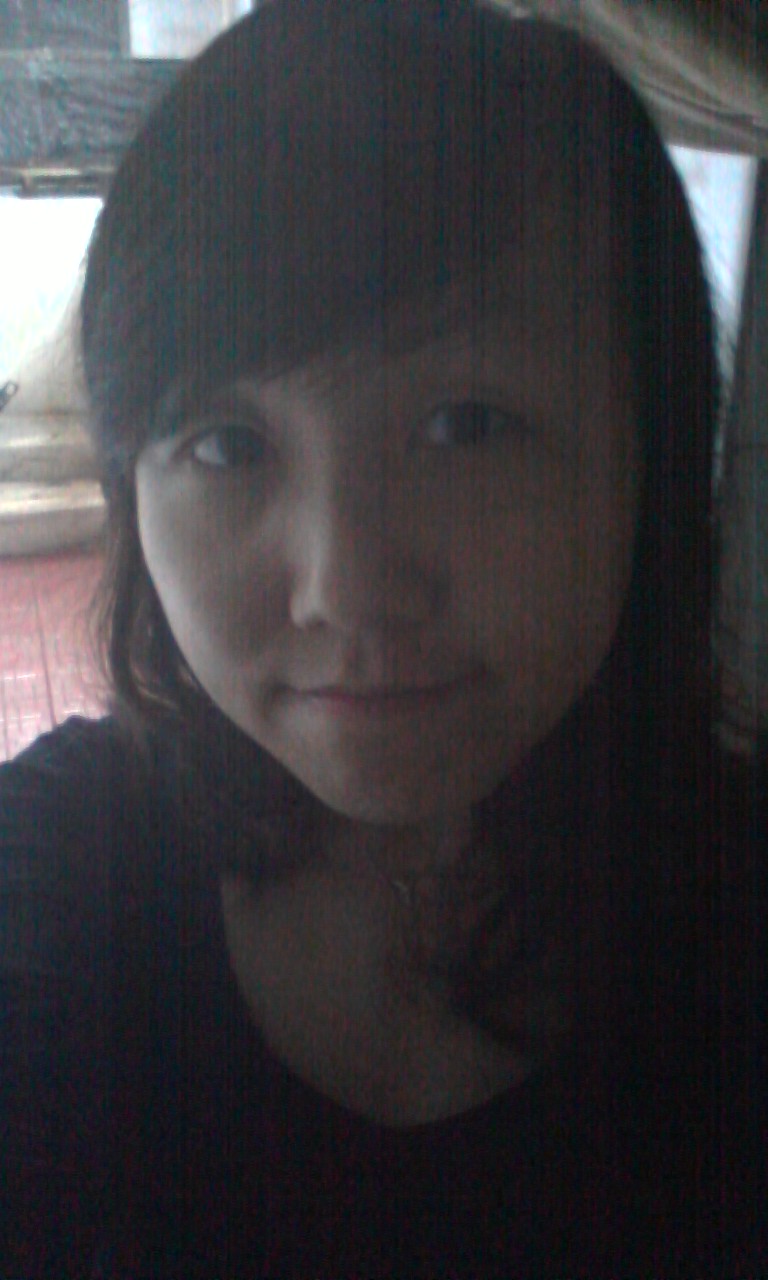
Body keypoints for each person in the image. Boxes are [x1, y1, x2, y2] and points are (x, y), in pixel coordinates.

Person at [1, 1, 765, 1274]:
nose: (344, 589)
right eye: (228, 443)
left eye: (466, 425)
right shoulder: (51, 884)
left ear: (655, 449)